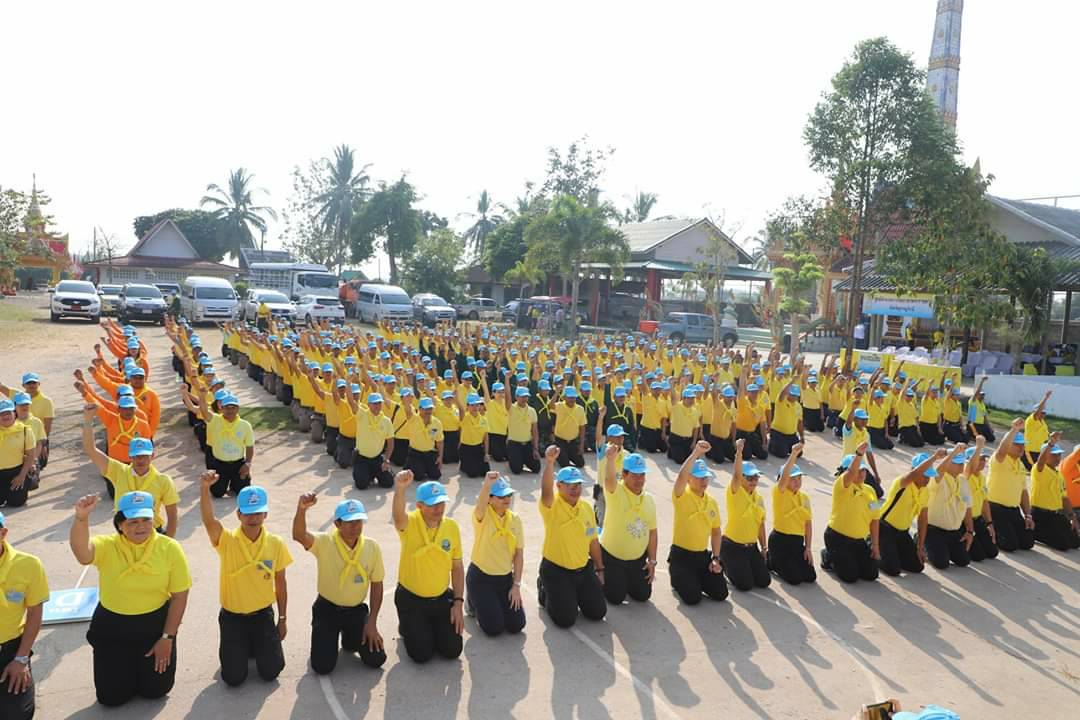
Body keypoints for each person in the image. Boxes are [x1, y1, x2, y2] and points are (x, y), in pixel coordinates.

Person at [69, 492, 190, 707]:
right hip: (113, 627)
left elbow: (180, 595)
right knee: (111, 698)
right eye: (133, 522)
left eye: (146, 520)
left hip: (154, 625)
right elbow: (83, 554)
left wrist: (167, 638)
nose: (141, 527)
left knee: (156, 691)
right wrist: (81, 518)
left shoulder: (170, 548)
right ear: (120, 525)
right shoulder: (107, 545)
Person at [199, 477, 290, 686]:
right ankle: (243, 647)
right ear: (238, 514)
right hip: (233, 618)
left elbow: (281, 583)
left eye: (258, 513)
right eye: (248, 513)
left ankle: (253, 645)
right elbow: (209, 520)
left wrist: (282, 618)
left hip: (262, 615)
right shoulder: (227, 540)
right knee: (233, 678)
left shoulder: (275, 543)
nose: (253, 518)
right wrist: (204, 488)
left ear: (265, 514)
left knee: (271, 671)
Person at [292, 494, 387, 674]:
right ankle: (326, 637)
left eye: (359, 521)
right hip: (327, 609)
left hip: (356, 610)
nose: (355, 527)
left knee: (376, 659)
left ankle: (349, 637)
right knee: (322, 667)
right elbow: (299, 535)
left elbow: (377, 584)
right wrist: (302, 509)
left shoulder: (371, 547)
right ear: (337, 524)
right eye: (349, 522)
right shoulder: (325, 542)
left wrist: (372, 622)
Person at [391, 473, 464, 663]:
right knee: (421, 655)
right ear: (419, 506)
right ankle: (408, 625)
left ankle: (428, 627)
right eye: (432, 504)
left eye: (441, 503)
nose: (438, 508)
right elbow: (398, 518)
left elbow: (457, 566)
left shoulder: (451, 527)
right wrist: (400, 489)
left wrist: (458, 603)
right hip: (412, 598)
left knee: (452, 650)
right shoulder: (410, 523)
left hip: (440, 597)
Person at [536, 446, 606, 628]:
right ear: (559, 486)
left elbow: (593, 541)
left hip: (583, 569)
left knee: (598, 612)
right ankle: (544, 589)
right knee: (565, 620)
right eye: (570, 485)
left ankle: (570, 594)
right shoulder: (552, 506)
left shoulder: (586, 509)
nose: (575, 489)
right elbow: (545, 491)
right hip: (556, 570)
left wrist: (600, 569)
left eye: (578, 485)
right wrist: (549, 463)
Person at [82, 407, 179, 536]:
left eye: (144, 456)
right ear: (130, 456)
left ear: (152, 456)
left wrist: (169, 542)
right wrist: (88, 420)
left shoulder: (163, 481)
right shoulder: (118, 471)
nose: (140, 460)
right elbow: (90, 449)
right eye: (136, 456)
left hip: (153, 533)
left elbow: (172, 515)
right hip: (125, 532)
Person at [0, 512, 48, 720]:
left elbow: (35, 612)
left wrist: (21, 659)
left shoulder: (28, 564)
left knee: (17, 715)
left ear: (3, 533)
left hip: (11, 650)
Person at [466, 473, 526, 636]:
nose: (506, 499)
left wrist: (516, 585)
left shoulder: (515, 520)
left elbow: (519, 554)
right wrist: (486, 485)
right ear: (490, 499)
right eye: (500, 496)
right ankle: (472, 601)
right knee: (494, 628)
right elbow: (480, 505)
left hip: (505, 579)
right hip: (481, 578)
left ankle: (493, 602)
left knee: (517, 625)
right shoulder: (483, 515)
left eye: (508, 495)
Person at [668, 441, 727, 604]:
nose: (703, 481)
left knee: (721, 593)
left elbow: (716, 532)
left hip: (702, 556)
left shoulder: (711, 502)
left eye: (705, 477)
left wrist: (716, 558)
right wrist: (696, 453)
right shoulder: (682, 496)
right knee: (693, 598)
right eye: (699, 477)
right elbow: (681, 477)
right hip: (682, 556)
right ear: (689, 479)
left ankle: (694, 579)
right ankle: (679, 578)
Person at [598, 448, 657, 605]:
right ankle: (597, 567)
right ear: (624, 475)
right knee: (615, 598)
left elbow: (652, 532)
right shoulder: (615, 493)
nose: (639, 479)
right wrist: (610, 460)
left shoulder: (649, 499)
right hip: (612, 558)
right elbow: (609, 480)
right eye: (635, 475)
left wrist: (652, 561)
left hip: (637, 560)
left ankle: (626, 579)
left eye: (642, 474)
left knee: (643, 595)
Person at [821, 443, 881, 583]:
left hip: (858, 540)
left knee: (871, 574)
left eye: (863, 470)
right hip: (838, 537)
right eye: (858, 470)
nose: (861, 473)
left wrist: (875, 545)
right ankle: (828, 556)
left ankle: (847, 558)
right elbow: (850, 473)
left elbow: (875, 519)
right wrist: (859, 455)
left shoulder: (870, 491)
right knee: (850, 577)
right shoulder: (842, 486)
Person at [877, 451, 943, 577]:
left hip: (902, 532)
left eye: (929, 476)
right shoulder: (902, 482)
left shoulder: (925, 491)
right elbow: (914, 474)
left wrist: (920, 547)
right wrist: (935, 457)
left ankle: (892, 554)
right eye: (924, 475)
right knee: (893, 570)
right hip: (885, 529)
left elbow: (922, 519)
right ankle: (872, 545)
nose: (927, 479)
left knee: (917, 566)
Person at [721, 440, 771, 591]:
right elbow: (736, 476)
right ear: (742, 478)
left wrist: (764, 547)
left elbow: (760, 524)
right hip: (733, 546)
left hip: (751, 547)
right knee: (745, 585)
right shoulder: (735, 492)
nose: (753, 481)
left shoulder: (758, 498)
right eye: (749, 478)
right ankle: (724, 564)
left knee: (764, 581)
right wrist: (739, 453)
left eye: (756, 478)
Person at [768, 443, 817, 585]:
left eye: (799, 478)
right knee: (795, 579)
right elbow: (783, 479)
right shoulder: (780, 493)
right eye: (793, 479)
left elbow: (808, 523)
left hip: (797, 542)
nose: (797, 482)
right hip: (780, 541)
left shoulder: (804, 498)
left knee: (810, 577)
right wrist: (794, 454)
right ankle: (771, 561)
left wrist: (808, 548)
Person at [986, 419, 1036, 552]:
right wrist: (1014, 429)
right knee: (1010, 545)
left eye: (1023, 445)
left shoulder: (1020, 464)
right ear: (1009, 445)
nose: (1021, 447)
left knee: (1027, 542)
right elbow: (1001, 449)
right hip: (996, 509)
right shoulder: (999, 459)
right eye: (1017, 444)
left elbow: (1023, 492)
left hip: (1013, 510)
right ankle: (987, 529)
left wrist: (1028, 515)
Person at [924, 444, 977, 569]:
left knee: (963, 561)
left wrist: (970, 531)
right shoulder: (939, 478)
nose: (961, 465)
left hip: (953, 531)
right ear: (948, 463)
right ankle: (921, 541)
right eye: (957, 463)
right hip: (934, 529)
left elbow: (967, 507)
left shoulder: (962, 480)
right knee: (941, 563)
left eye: (962, 463)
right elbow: (939, 470)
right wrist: (953, 453)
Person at [199, 391, 255, 498]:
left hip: (238, 464)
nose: (230, 410)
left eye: (233, 407)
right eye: (227, 407)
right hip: (219, 464)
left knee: (243, 492)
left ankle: (235, 483)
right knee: (217, 493)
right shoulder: (215, 420)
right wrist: (202, 396)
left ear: (238, 409)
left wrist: (248, 463)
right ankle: (226, 483)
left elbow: (249, 446)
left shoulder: (245, 425)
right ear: (222, 409)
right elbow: (204, 411)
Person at [1030, 435, 1080, 550]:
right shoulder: (1039, 470)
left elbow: (1064, 498)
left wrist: (1072, 517)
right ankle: (1035, 532)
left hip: (1054, 514)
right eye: (1054, 455)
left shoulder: (1059, 475)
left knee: (1075, 542)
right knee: (1063, 545)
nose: (1057, 458)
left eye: (1059, 455)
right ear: (1045, 455)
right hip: (1040, 513)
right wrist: (1050, 444)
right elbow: (1040, 462)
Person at [0, 374, 54, 470]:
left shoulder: (46, 402)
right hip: (16, 457)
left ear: (39, 383)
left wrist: (44, 445)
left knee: (34, 471)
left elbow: (47, 426)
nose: (31, 385)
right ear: (23, 385)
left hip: (38, 442)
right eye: (28, 383)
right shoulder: (16, 397)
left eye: (34, 382)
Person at [962, 438, 999, 562]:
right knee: (978, 556)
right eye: (979, 459)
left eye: (984, 459)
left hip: (978, 520)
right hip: (964, 522)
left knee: (992, 552)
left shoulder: (982, 478)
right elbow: (969, 468)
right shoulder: (964, 476)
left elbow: (984, 502)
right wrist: (979, 447)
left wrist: (989, 523)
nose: (982, 462)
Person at [348, 392, 394, 490]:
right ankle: (364, 473)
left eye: (379, 403)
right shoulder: (362, 414)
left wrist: (386, 460)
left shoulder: (386, 421)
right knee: (361, 485)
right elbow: (351, 401)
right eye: (374, 403)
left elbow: (390, 443)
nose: (377, 406)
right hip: (362, 458)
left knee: (388, 482)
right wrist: (348, 384)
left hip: (377, 458)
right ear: (368, 404)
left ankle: (373, 473)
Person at [0, 400, 35, 509]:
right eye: (1, 414)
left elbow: (30, 455)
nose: (5, 416)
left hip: (16, 471)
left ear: (14, 413)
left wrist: (22, 476)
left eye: (8, 413)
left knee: (16, 502)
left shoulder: (25, 430)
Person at [401, 397, 444, 481]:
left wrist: (440, 457)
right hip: (416, 453)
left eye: (430, 408)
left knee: (436, 475)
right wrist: (406, 400)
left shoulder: (437, 422)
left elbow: (440, 441)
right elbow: (408, 410)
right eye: (426, 409)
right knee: (418, 476)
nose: (428, 411)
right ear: (420, 409)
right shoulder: (413, 419)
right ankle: (410, 464)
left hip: (430, 452)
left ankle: (423, 467)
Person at [506, 387, 541, 475]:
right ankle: (514, 459)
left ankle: (523, 459)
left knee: (537, 468)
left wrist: (535, 449)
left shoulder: (532, 411)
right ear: (516, 397)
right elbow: (507, 396)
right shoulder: (511, 408)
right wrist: (506, 380)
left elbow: (535, 431)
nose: (524, 399)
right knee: (517, 470)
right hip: (514, 443)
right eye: (522, 396)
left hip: (527, 444)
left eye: (526, 396)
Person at [552, 387, 587, 468]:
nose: (572, 399)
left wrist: (581, 445)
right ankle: (559, 455)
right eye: (570, 397)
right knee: (565, 464)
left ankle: (566, 454)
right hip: (560, 440)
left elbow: (582, 428)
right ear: (564, 397)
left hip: (573, 441)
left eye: (574, 397)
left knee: (580, 463)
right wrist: (557, 392)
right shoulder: (559, 406)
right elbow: (551, 405)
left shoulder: (580, 409)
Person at [458, 393, 491, 478]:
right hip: (466, 448)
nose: (475, 407)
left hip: (478, 447)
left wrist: (486, 453)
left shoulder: (484, 419)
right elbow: (461, 410)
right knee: (473, 474)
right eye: (472, 405)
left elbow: (486, 437)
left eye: (477, 405)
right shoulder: (464, 417)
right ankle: (464, 465)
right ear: (467, 406)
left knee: (485, 472)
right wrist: (456, 398)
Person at [667, 388, 701, 464]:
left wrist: (694, 442)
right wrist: (672, 385)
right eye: (689, 398)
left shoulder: (695, 411)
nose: (692, 400)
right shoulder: (677, 406)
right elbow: (673, 398)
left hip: (688, 440)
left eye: (693, 398)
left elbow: (696, 428)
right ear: (684, 398)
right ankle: (672, 451)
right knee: (680, 460)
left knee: (694, 459)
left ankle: (673, 451)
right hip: (676, 439)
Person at [1022, 391, 1052, 469]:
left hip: (1039, 452)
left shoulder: (1043, 423)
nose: (1042, 414)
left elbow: (1045, 437)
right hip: (1030, 451)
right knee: (1034, 470)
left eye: (1044, 413)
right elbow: (1038, 412)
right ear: (1034, 412)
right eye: (1041, 412)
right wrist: (1045, 398)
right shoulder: (1031, 420)